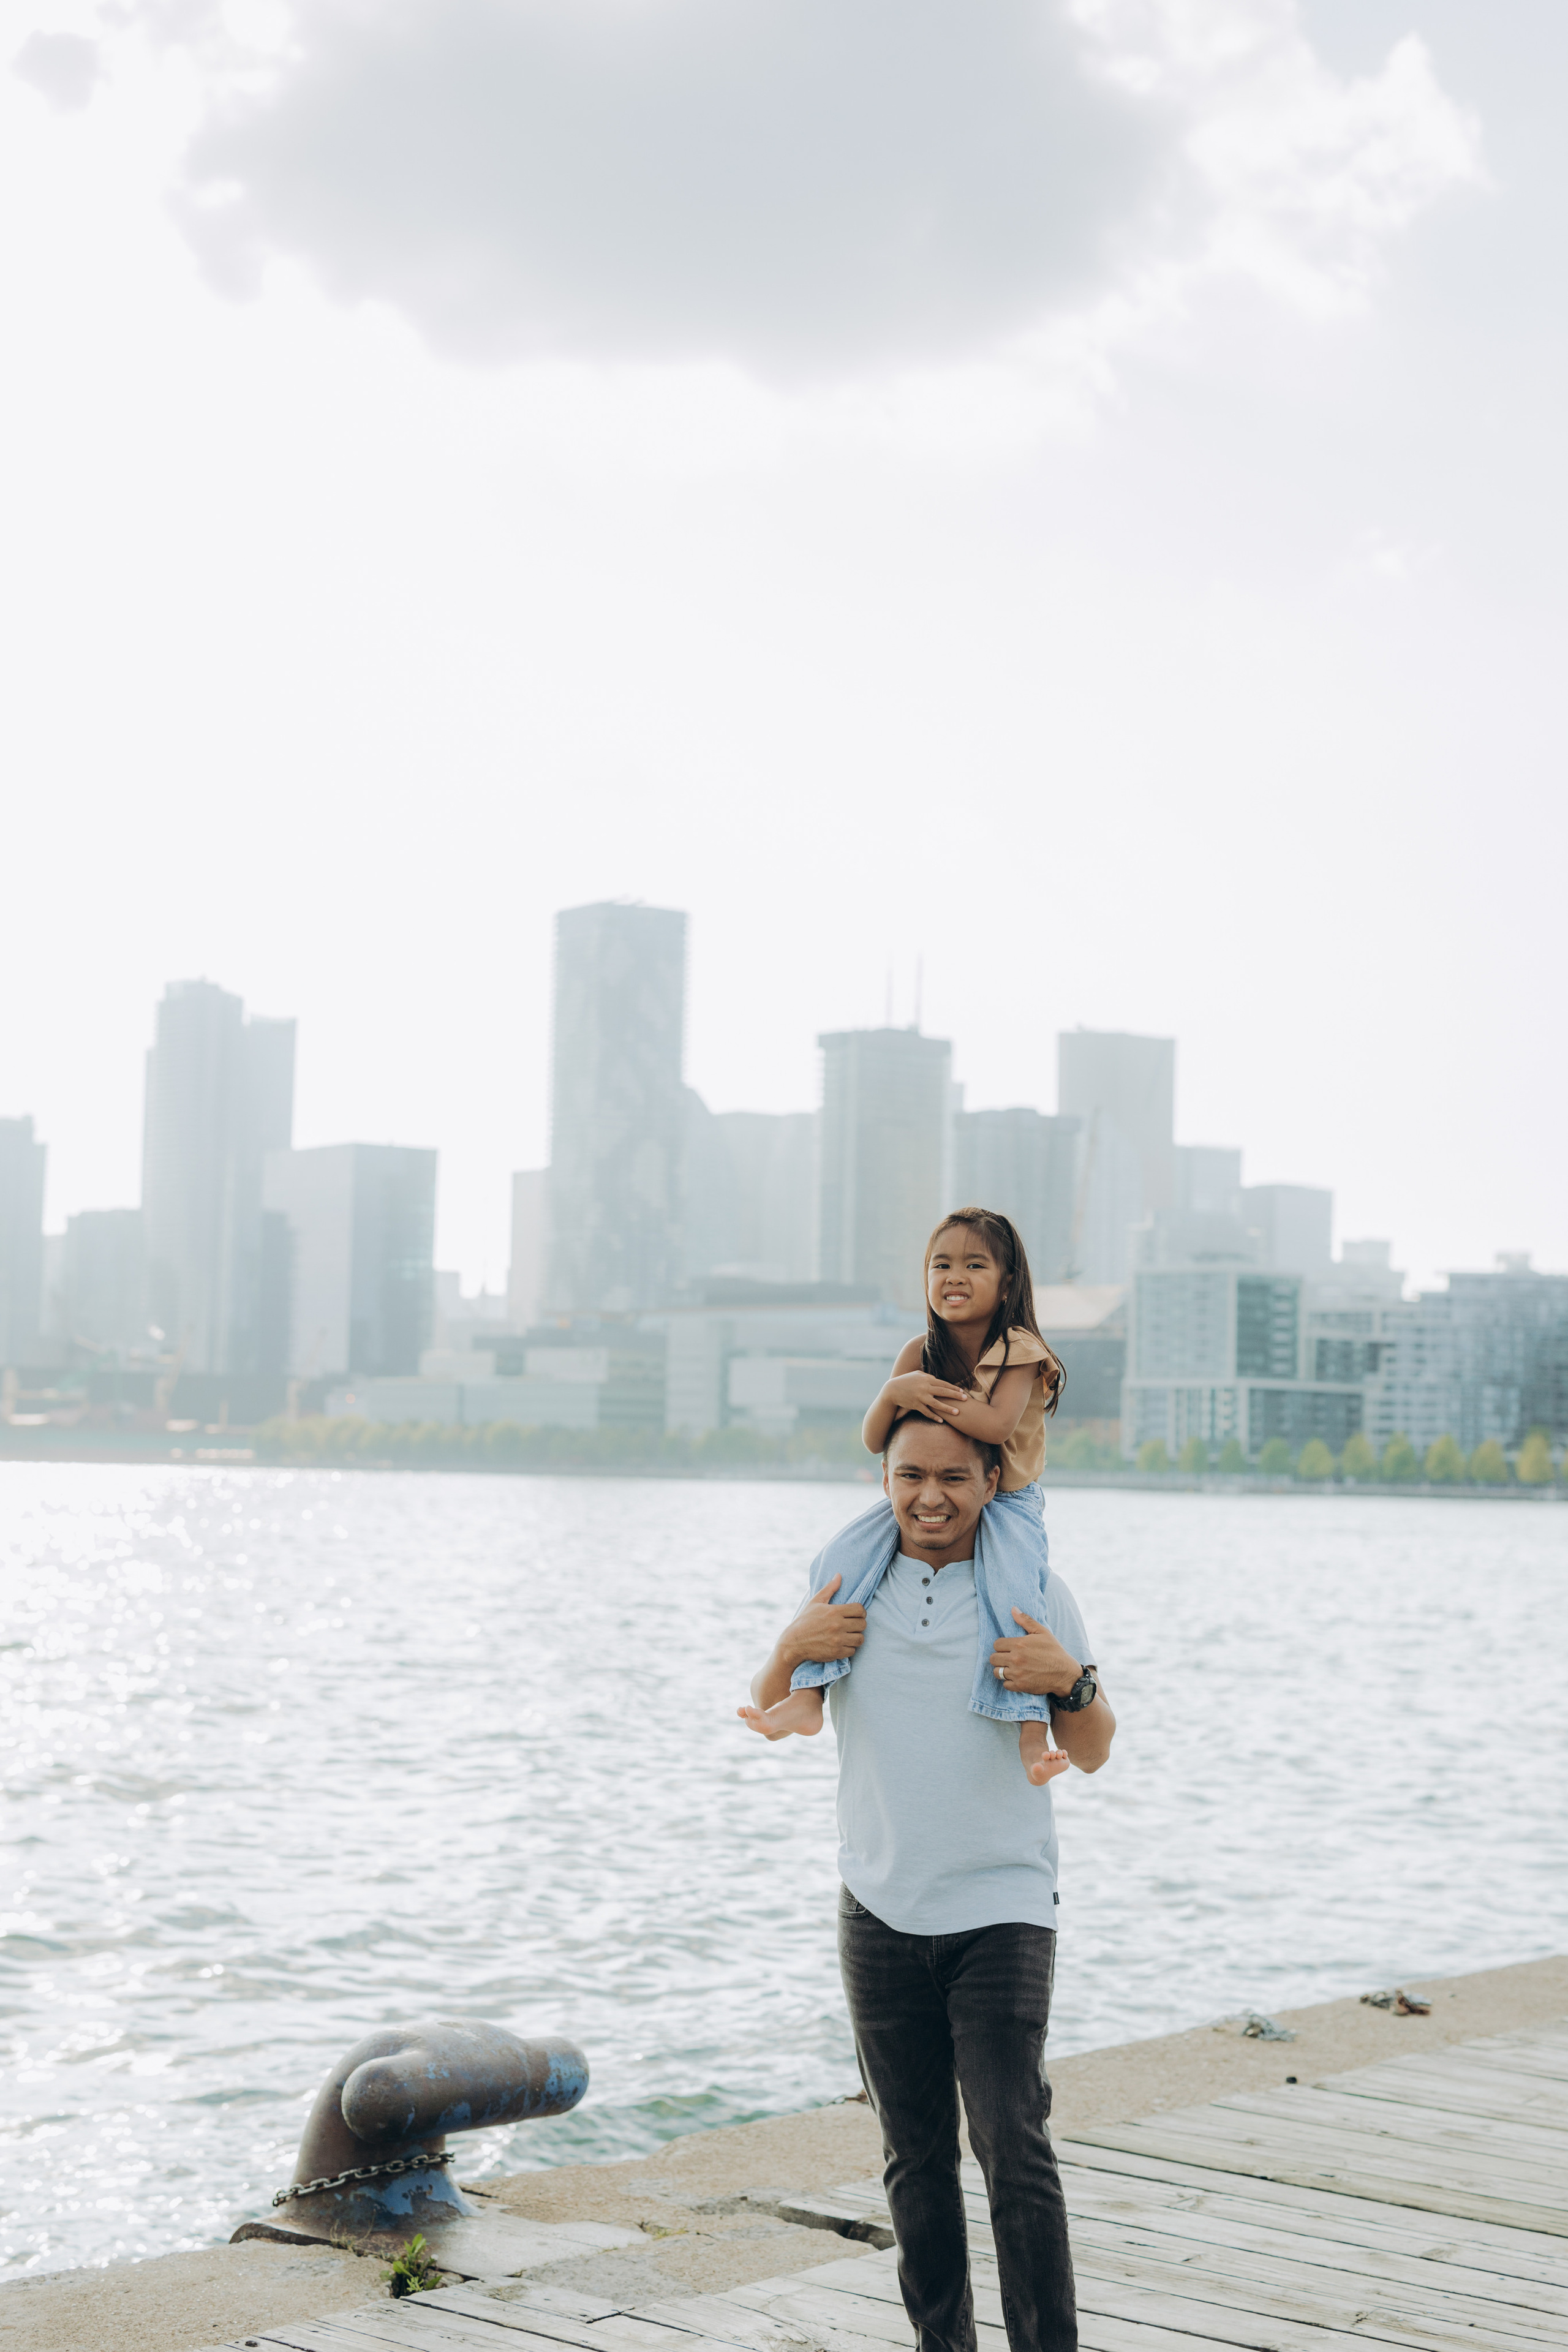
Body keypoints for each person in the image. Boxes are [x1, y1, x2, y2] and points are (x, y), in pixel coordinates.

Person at [748, 1412, 1114, 2352]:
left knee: (1013, 2153)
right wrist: (791, 1643)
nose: (931, 1497)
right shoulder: (851, 1583)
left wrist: (1071, 1682)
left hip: (1003, 1911)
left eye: (954, 1477)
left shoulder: (1030, 1592)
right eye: (912, 1475)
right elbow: (784, 1703)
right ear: (884, 1479)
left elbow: (1095, 1749)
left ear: (994, 1481)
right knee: (913, 2159)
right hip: (877, 1910)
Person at [739, 1208, 1066, 1782]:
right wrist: (896, 1389)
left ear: (1008, 1281)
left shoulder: (1020, 1348)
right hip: (927, 1490)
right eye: (941, 1264)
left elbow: (993, 1428)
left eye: (974, 1264)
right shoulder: (919, 1351)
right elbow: (874, 1440)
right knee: (838, 1561)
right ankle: (808, 1696)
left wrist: (927, 1395)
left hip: (1007, 1501)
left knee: (1015, 1603)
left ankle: (1030, 1730)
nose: (955, 1276)